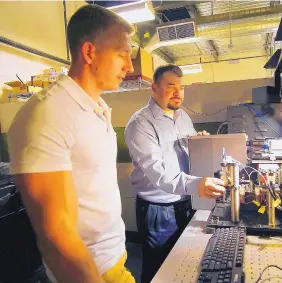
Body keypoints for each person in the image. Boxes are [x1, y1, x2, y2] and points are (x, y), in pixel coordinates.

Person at [7, 5, 136, 283]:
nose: (130, 66)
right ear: (89, 52)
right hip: (89, 271)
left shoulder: (96, 108)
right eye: (122, 54)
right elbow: (56, 235)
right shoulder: (47, 113)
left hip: (115, 258)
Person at [124, 64, 226, 283]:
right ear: (154, 88)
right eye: (171, 86)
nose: (178, 92)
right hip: (158, 210)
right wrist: (197, 185)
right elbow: (159, 173)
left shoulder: (183, 118)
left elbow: (185, 156)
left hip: (184, 202)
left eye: (181, 87)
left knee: (183, 264)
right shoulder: (141, 124)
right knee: (158, 270)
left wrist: (199, 143)